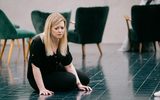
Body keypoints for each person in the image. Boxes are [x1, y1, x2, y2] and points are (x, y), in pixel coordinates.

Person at [27, 12, 92, 96]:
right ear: (49, 28)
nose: (60, 31)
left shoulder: (62, 41)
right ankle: (61, 82)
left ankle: (65, 81)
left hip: (54, 69)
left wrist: (79, 84)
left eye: (62, 28)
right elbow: (35, 67)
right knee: (71, 80)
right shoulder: (38, 41)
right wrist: (42, 89)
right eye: (56, 28)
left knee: (84, 79)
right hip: (41, 76)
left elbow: (68, 65)